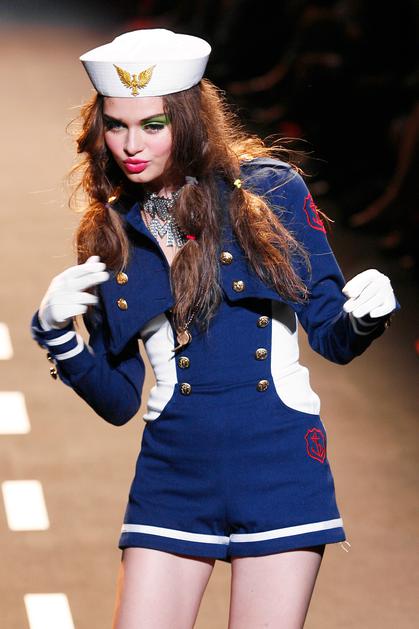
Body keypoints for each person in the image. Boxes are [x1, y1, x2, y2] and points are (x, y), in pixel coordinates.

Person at [30, 28, 399, 629]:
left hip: (278, 460)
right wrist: (58, 336)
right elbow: (119, 400)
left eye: (152, 125)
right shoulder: (109, 233)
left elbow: (333, 336)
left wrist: (364, 315)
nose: (131, 144)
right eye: (116, 125)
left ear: (188, 118)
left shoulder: (271, 192)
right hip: (173, 469)